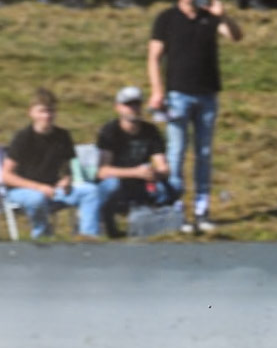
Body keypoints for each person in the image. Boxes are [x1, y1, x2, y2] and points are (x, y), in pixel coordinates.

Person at [147, 0, 243, 235]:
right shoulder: (166, 18)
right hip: (178, 93)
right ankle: (177, 209)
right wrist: (157, 90)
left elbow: (236, 37)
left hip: (207, 94)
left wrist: (223, 16)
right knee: (176, 153)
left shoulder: (210, 17)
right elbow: (154, 57)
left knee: (204, 154)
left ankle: (202, 210)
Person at [1, 87, 102, 239]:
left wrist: (66, 179)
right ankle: (41, 236)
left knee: (90, 191)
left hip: (54, 189)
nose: (47, 115)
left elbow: (67, 166)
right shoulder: (22, 138)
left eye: (50, 111)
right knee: (36, 198)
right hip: (23, 191)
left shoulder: (63, 136)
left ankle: (87, 236)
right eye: (42, 111)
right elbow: (7, 176)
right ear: (32, 113)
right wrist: (39, 187)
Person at [95, 85, 177, 238]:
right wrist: (135, 172)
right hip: (119, 183)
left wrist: (154, 173)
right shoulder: (110, 131)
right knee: (111, 185)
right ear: (118, 107)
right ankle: (105, 223)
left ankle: (159, 228)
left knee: (174, 186)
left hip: (143, 182)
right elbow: (102, 171)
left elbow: (164, 168)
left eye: (136, 104)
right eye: (128, 104)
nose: (133, 108)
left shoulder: (151, 131)